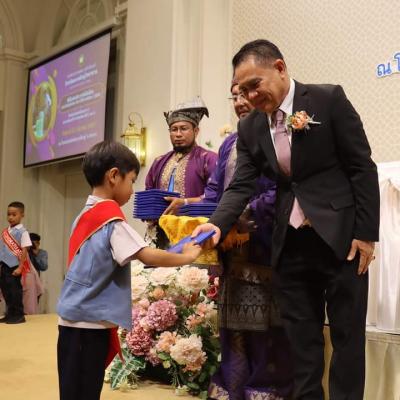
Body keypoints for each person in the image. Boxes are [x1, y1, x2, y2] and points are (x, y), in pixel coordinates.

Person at [193, 39, 380, 400]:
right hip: (290, 245)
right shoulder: (250, 128)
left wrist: (365, 234)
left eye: (254, 85)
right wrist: (216, 223)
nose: (249, 96)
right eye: (241, 90)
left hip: (341, 240)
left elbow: (361, 167)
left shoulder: (328, 99)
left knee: (347, 340)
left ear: (279, 68)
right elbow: (241, 185)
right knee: (303, 346)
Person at [57, 141, 202, 400]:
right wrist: (187, 256)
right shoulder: (110, 219)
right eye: (132, 180)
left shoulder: (84, 214)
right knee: (84, 392)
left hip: (74, 319)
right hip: (89, 325)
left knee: (72, 390)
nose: (132, 190)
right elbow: (146, 254)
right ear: (114, 176)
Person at [0, 201, 32, 324]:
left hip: (14, 266)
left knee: (15, 291)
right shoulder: (6, 231)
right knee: (6, 291)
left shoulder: (23, 232)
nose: (10, 217)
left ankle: (19, 315)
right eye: (8, 214)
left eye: (14, 214)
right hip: (4, 265)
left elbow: (24, 250)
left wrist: (20, 267)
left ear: (22, 215)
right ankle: (10, 314)